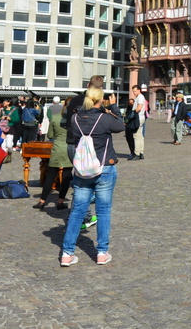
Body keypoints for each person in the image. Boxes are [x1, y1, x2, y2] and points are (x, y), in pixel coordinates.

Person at [60, 88, 125, 267]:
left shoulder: (75, 118)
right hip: (104, 167)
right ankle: (102, 253)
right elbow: (120, 125)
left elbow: (72, 136)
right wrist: (114, 108)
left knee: (77, 211)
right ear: (101, 100)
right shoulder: (104, 118)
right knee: (103, 211)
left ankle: (67, 253)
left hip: (82, 170)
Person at [36, 99, 71, 210]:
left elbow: (50, 135)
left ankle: (42, 201)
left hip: (57, 148)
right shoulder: (74, 119)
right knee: (66, 177)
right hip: (69, 149)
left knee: (50, 176)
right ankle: (60, 202)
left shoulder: (55, 117)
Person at [128, 85, 148, 160]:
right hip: (140, 117)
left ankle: (137, 153)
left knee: (136, 136)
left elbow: (139, 107)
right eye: (133, 91)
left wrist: (132, 113)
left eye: (135, 91)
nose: (134, 92)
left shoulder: (140, 97)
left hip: (138, 118)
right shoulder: (139, 97)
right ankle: (141, 153)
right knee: (140, 136)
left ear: (139, 90)